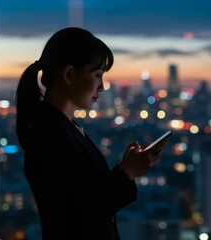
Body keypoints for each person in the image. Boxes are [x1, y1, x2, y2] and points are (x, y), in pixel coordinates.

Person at [15, 27, 166, 240]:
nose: (102, 86)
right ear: (68, 74)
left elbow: (85, 192)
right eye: (97, 75)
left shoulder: (60, 127)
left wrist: (125, 167)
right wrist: (127, 174)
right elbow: (80, 214)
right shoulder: (51, 135)